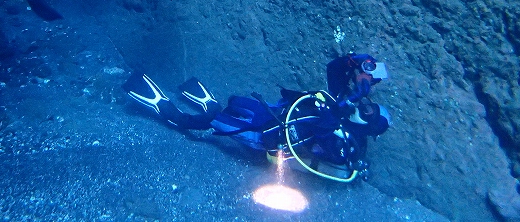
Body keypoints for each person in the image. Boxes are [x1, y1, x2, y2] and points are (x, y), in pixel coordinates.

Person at [123, 53, 390, 181]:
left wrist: (347, 103)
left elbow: (322, 131)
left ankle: (170, 112)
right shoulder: (345, 107)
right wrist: (357, 64)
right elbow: (334, 70)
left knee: (213, 119)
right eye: (368, 104)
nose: (364, 106)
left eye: (369, 112)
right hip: (275, 112)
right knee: (233, 102)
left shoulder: (347, 147)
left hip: (266, 138)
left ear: (369, 128)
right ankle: (210, 105)